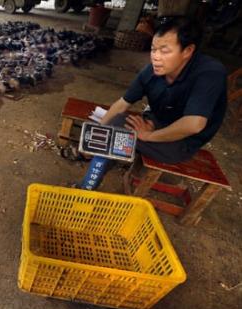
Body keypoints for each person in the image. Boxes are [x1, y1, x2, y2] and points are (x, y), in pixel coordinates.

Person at [76, 16, 228, 190]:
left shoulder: (210, 73)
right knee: (115, 123)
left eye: (164, 51)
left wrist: (149, 136)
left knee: (115, 135)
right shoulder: (151, 72)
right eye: (153, 49)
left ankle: (86, 187)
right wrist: (94, 135)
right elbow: (122, 104)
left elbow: (194, 125)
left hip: (183, 142)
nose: (156, 57)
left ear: (187, 51)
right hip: (155, 122)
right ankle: (95, 157)